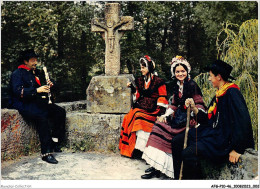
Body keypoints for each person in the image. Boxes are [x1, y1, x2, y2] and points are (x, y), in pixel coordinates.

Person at [172, 60, 255, 179]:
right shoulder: (220, 93)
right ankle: (178, 180)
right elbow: (208, 118)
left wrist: (238, 149)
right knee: (177, 141)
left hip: (223, 139)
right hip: (213, 132)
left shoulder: (232, 92)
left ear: (219, 77)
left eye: (211, 76)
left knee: (188, 153)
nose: (209, 79)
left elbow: (243, 120)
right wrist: (194, 108)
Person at [141, 56, 206, 179]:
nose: (180, 74)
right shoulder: (177, 86)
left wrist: (192, 108)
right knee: (157, 127)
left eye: (183, 71)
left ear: (187, 72)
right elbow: (174, 104)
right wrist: (165, 115)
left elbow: (199, 104)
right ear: (174, 73)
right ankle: (157, 166)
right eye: (177, 72)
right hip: (178, 119)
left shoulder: (192, 85)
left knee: (171, 136)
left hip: (189, 121)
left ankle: (169, 170)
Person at [8, 49, 66, 164]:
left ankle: (54, 142)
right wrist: (36, 90)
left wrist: (51, 84)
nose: (35, 62)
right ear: (25, 61)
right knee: (42, 116)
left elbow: (52, 85)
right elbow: (18, 92)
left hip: (36, 102)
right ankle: (46, 153)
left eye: (36, 60)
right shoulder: (17, 73)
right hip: (23, 104)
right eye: (32, 60)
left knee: (60, 112)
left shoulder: (37, 72)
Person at [119, 55, 168, 158]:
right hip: (143, 105)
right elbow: (138, 94)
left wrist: (161, 113)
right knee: (128, 117)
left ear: (149, 67)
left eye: (143, 67)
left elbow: (162, 97)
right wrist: (133, 88)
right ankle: (131, 149)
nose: (141, 70)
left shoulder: (158, 81)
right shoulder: (140, 80)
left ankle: (141, 150)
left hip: (154, 109)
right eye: (141, 67)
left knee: (137, 116)